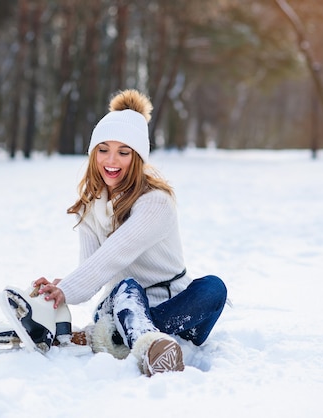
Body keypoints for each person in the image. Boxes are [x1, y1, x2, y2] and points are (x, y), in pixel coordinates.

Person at [29, 89, 228, 376]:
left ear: (137, 158)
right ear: (93, 152)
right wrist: (61, 289)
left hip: (176, 308)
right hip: (121, 304)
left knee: (213, 287)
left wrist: (69, 287)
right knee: (127, 287)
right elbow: (93, 267)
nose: (111, 160)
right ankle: (149, 347)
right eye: (103, 149)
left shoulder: (155, 202)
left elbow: (113, 255)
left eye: (123, 152)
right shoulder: (90, 206)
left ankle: (111, 339)